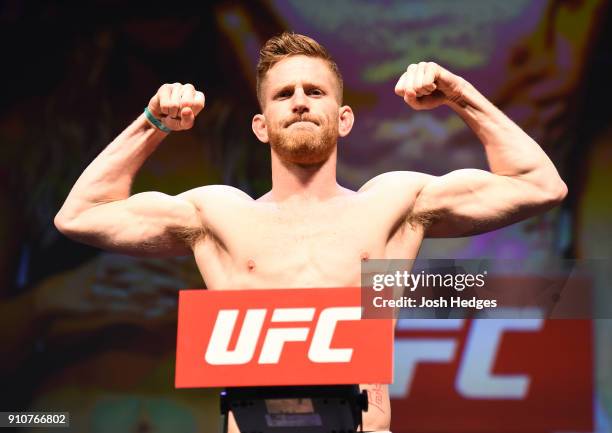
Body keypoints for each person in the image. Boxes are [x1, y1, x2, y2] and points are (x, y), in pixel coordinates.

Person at [54, 32, 568, 433]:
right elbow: (80, 215)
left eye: (314, 91)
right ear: (261, 125)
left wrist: (459, 94)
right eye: (284, 94)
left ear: (344, 119)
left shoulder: (393, 204)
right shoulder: (219, 214)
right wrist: (152, 122)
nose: (300, 101)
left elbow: (539, 185)